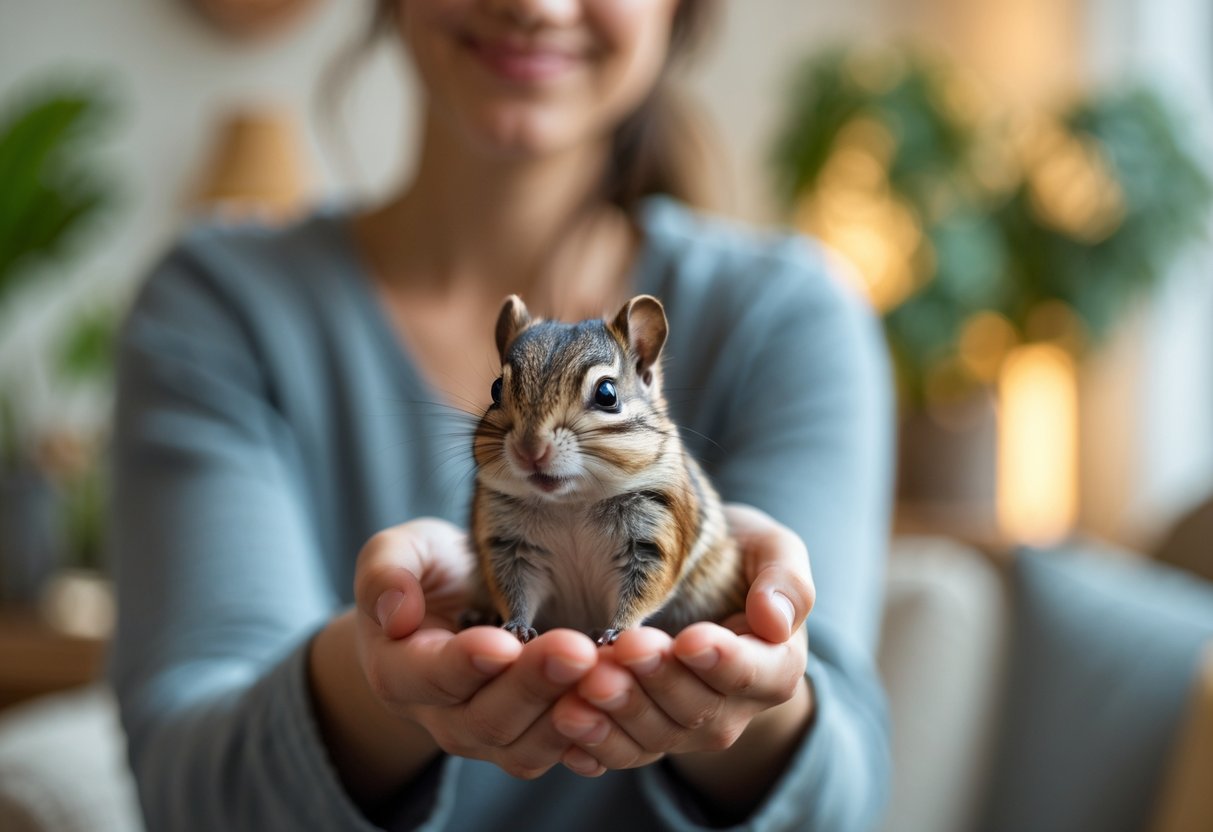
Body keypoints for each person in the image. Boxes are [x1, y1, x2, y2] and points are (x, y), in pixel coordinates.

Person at [107, 1, 894, 829]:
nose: (535, 5)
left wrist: (749, 672)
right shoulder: (216, 305)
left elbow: (846, 793)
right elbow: (189, 789)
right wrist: (381, 684)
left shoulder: (792, 314)